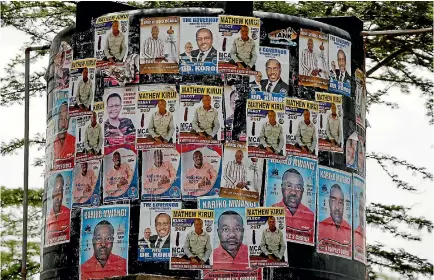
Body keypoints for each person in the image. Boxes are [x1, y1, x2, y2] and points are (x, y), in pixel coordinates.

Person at [46, 173, 71, 241]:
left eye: (60, 190)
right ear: (52, 193)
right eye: (56, 190)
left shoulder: (69, 214)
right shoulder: (47, 219)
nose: (58, 196)